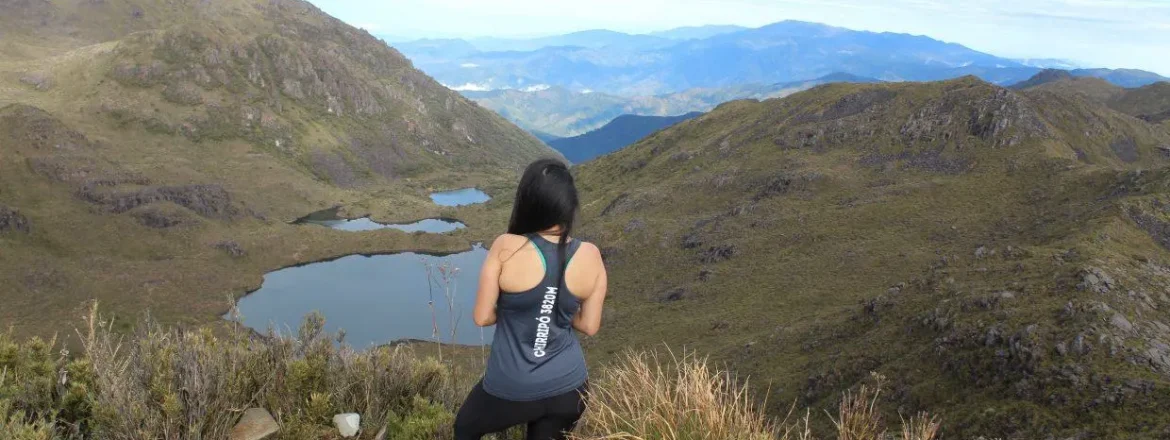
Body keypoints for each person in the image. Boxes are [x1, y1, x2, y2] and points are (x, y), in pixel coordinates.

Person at [454, 158, 609, 440]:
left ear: (528, 202)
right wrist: (555, 310)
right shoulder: (591, 255)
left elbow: (482, 316)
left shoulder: (506, 246)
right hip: (570, 388)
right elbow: (589, 325)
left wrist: (522, 307)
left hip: (512, 387)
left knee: (465, 428)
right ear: (568, 207)